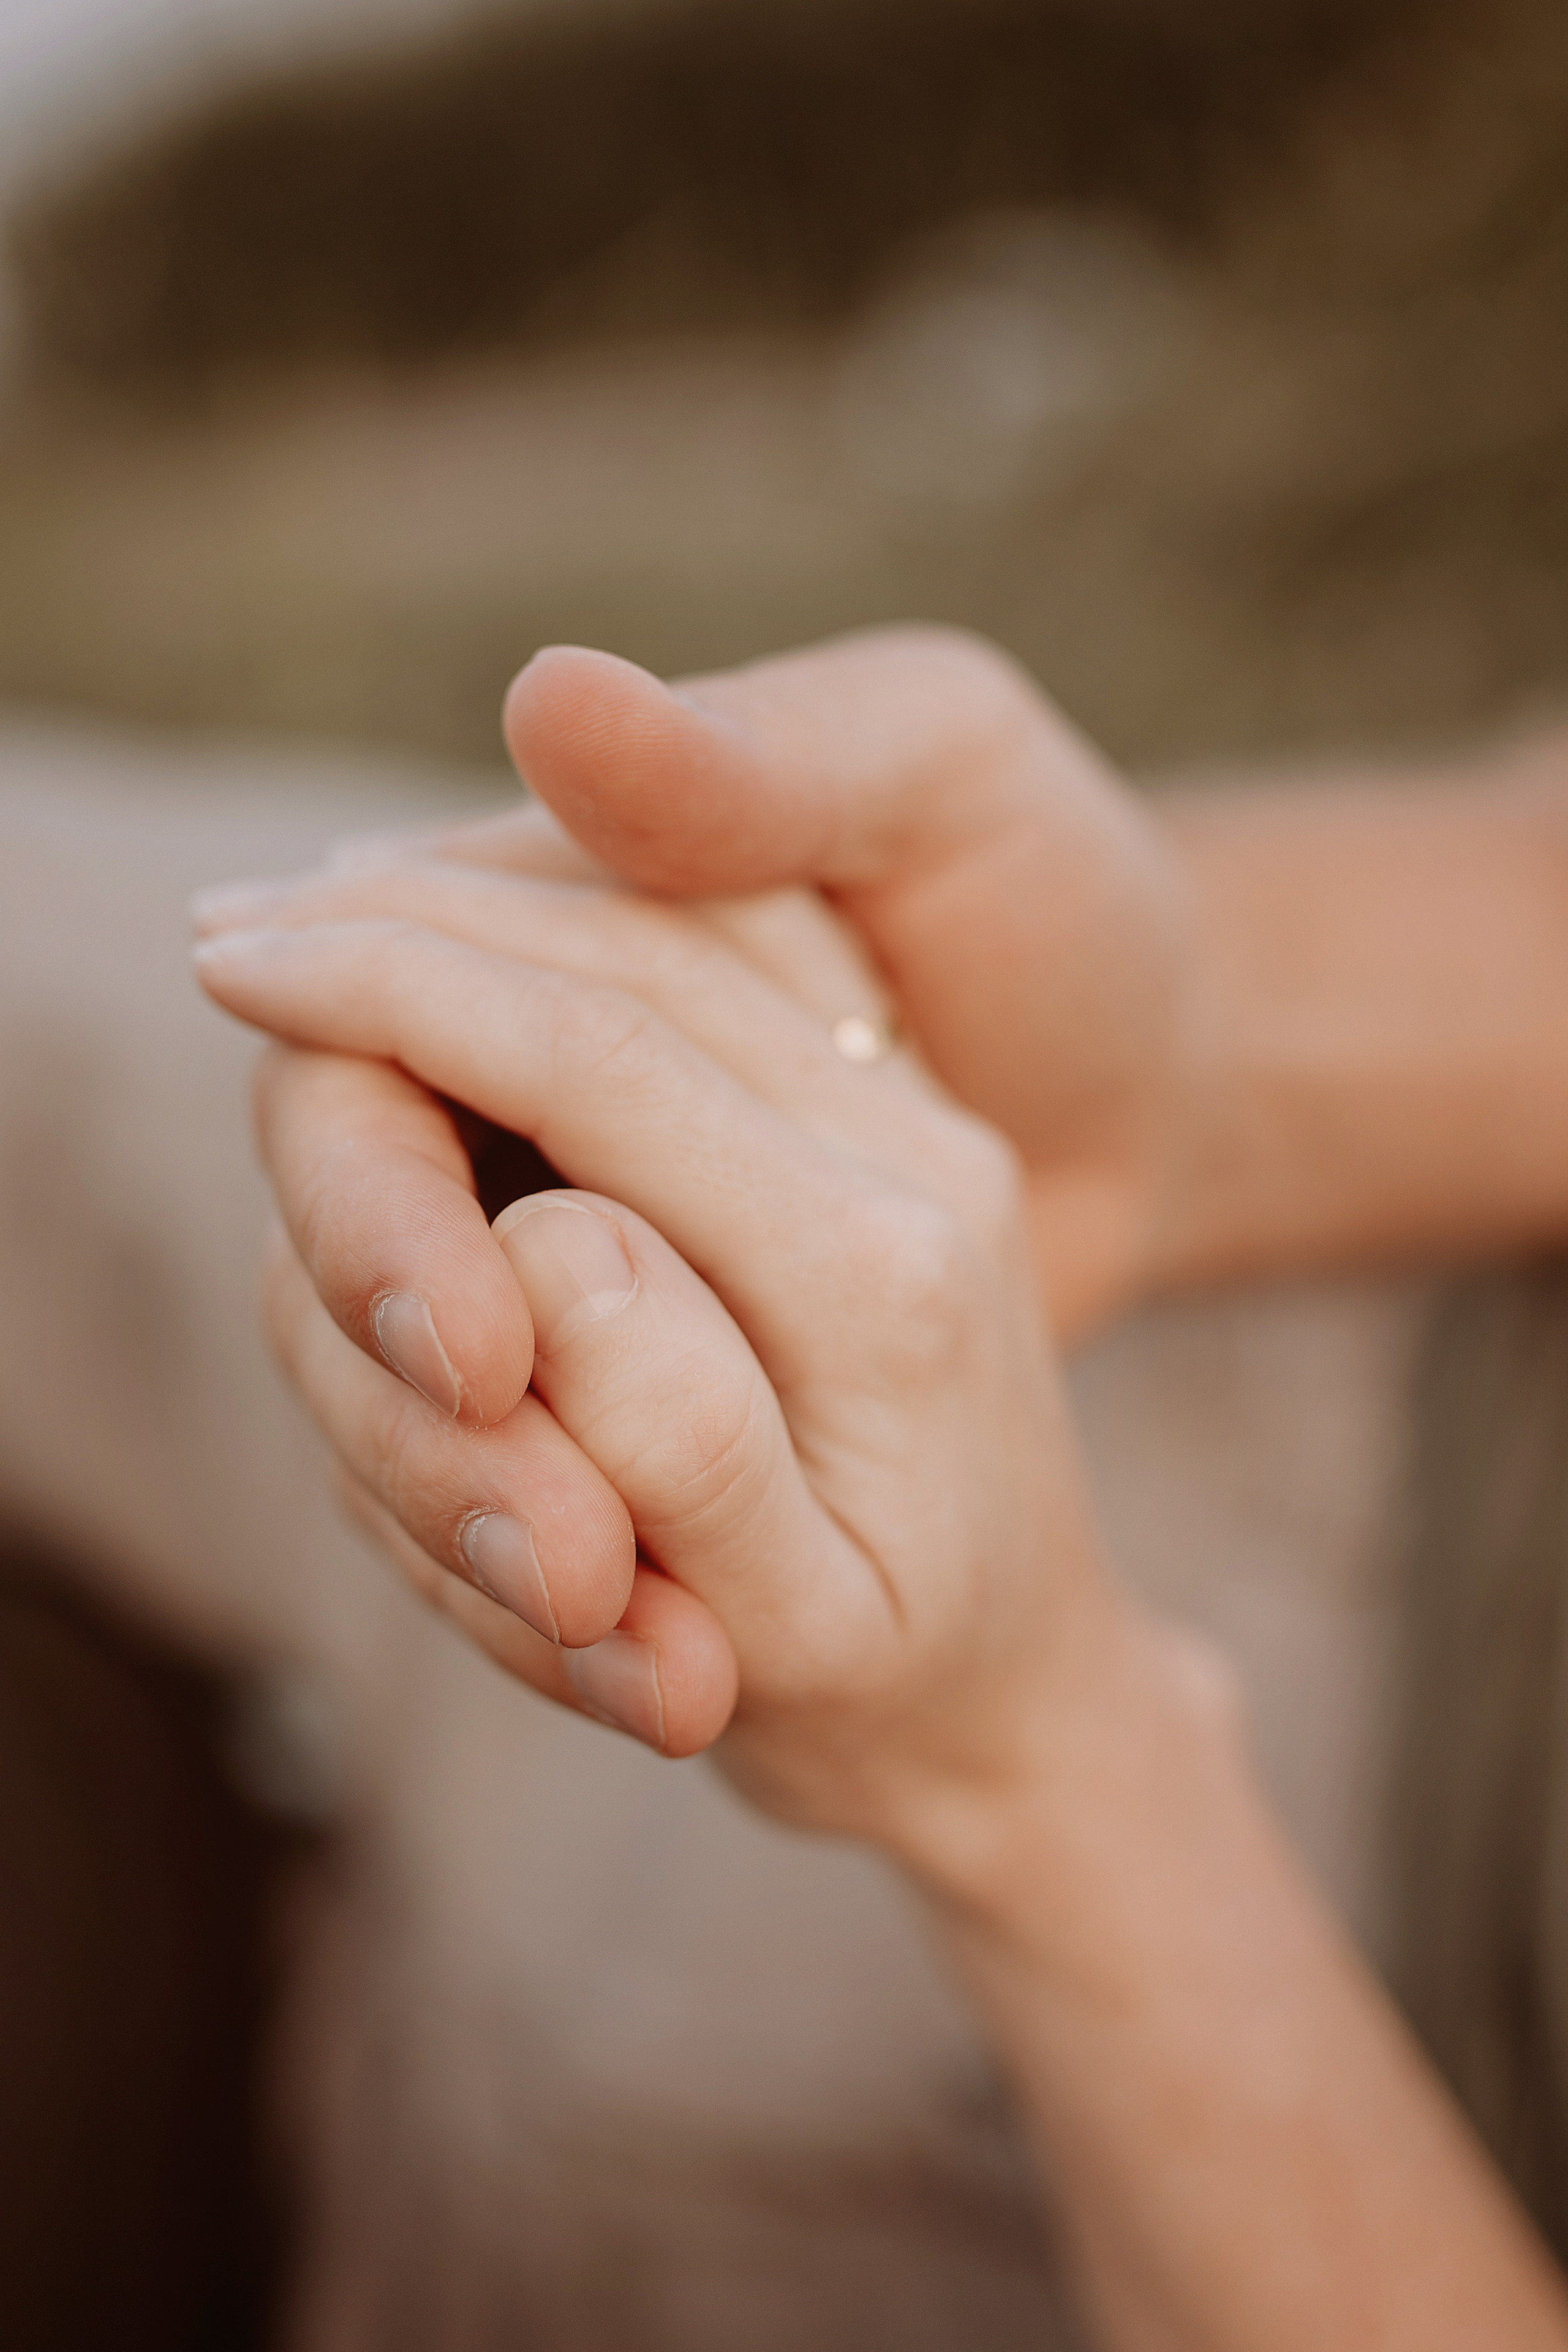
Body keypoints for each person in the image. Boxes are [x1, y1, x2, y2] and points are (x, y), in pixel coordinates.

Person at [193, 626, 1568, 2347]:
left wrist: (1042, 1772)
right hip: (1350, 1251)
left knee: (593, 2062)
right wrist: (1174, 1056)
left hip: (1291, 2060)